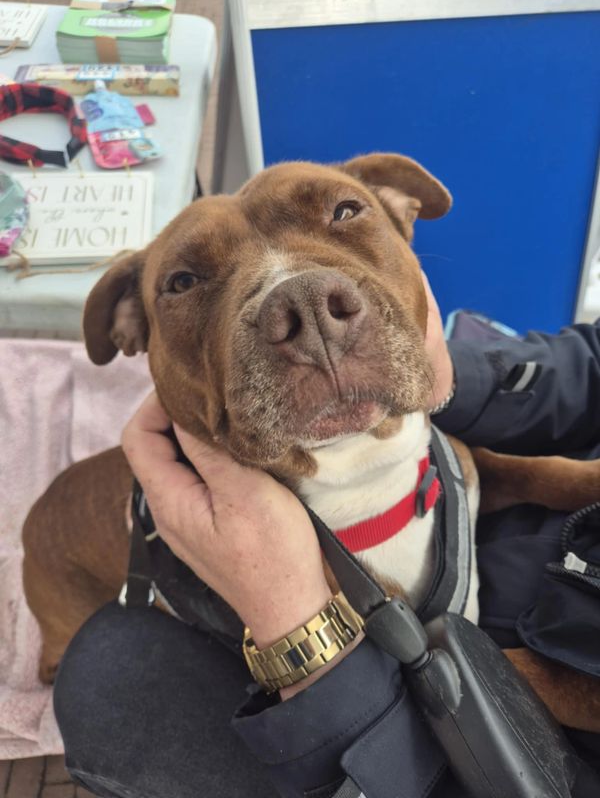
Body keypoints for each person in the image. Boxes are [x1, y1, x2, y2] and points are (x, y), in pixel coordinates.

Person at [53, 277, 600, 798]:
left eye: (344, 220)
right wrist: (456, 377)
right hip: (506, 523)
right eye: (184, 282)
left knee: (105, 669)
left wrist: (298, 631)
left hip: (487, 737)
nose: (306, 310)